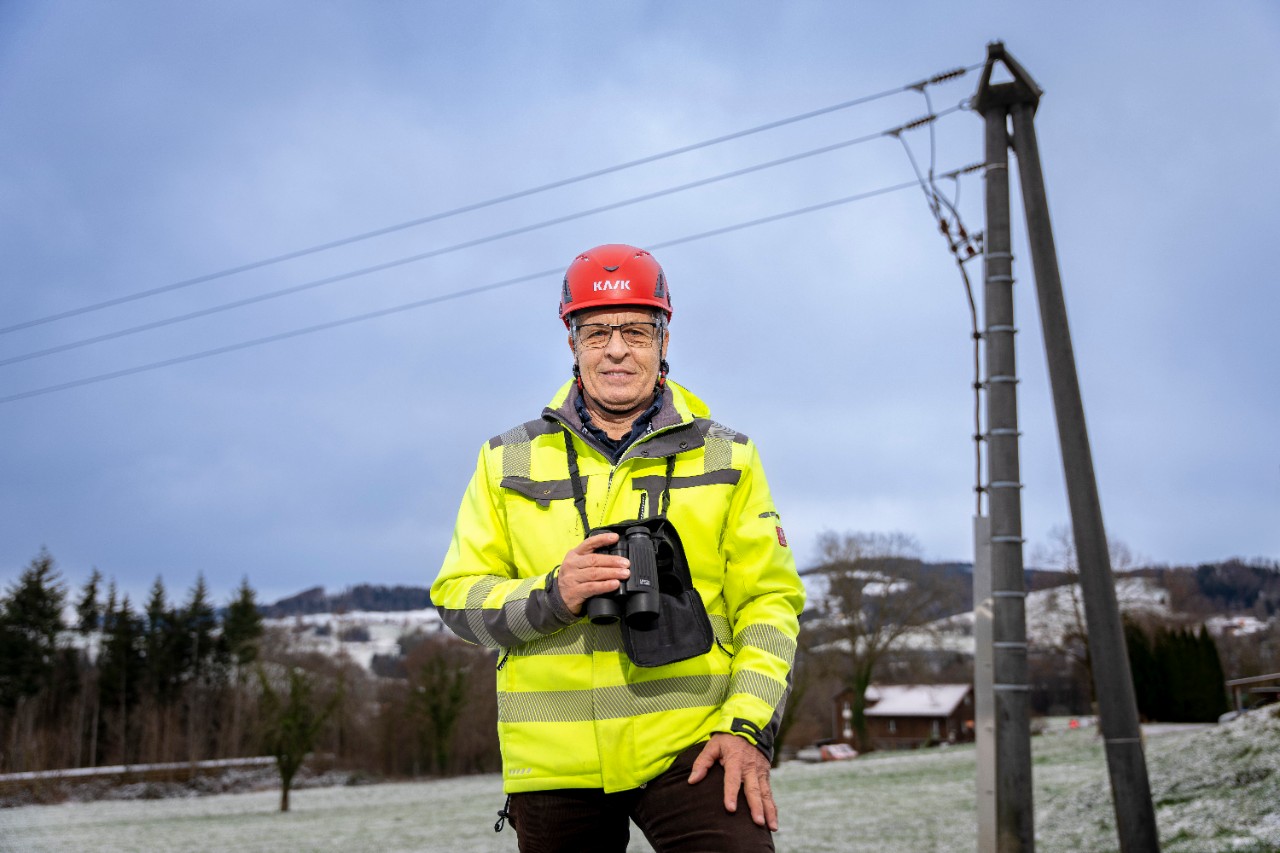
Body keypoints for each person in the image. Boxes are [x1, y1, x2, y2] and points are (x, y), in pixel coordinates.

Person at [431, 243, 805, 852]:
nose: (615, 349)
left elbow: (770, 605)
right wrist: (554, 595)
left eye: (635, 330)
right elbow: (457, 602)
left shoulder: (728, 456)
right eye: (596, 331)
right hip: (555, 763)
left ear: (663, 339)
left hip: (693, 745)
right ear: (571, 343)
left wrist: (746, 727)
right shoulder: (506, 460)